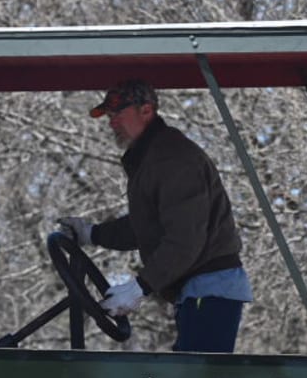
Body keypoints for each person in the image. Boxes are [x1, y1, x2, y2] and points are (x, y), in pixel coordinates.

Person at [57, 80, 251, 353]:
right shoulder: (152, 158)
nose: (112, 123)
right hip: (199, 291)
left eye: (118, 114)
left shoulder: (173, 159)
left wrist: (139, 288)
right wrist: (92, 234)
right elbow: (148, 226)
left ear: (146, 110)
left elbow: (185, 240)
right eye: (109, 117)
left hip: (210, 289)